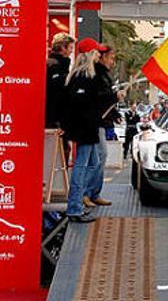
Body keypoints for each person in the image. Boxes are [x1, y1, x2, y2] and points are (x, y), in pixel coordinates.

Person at [63, 39, 105, 223]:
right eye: (96, 52)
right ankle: (74, 207)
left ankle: (79, 200)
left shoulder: (79, 76)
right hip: (85, 129)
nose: (99, 55)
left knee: (93, 162)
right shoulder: (84, 76)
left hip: (86, 128)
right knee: (82, 165)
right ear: (89, 54)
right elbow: (83, 104)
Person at [87, 43, 123, 208]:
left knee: (99, 158)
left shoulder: (104, 75)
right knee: (97, 158)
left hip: (101, 122)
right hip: (94, 122)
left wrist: (114, 114)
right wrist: (114, 97)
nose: (112, 62)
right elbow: (100, 98)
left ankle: (94, 193)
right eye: (110, 58)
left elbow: (105, 101)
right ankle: (87, 193)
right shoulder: (95, 74)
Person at [46, 33, 75, 162]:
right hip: (55, 121)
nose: (71, 51)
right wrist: (60, 121)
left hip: (56, 120)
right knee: (59, 155)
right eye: (70, 48)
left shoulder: (57, 65)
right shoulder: (56, 66)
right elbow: (57, 95)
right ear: (63, 48)